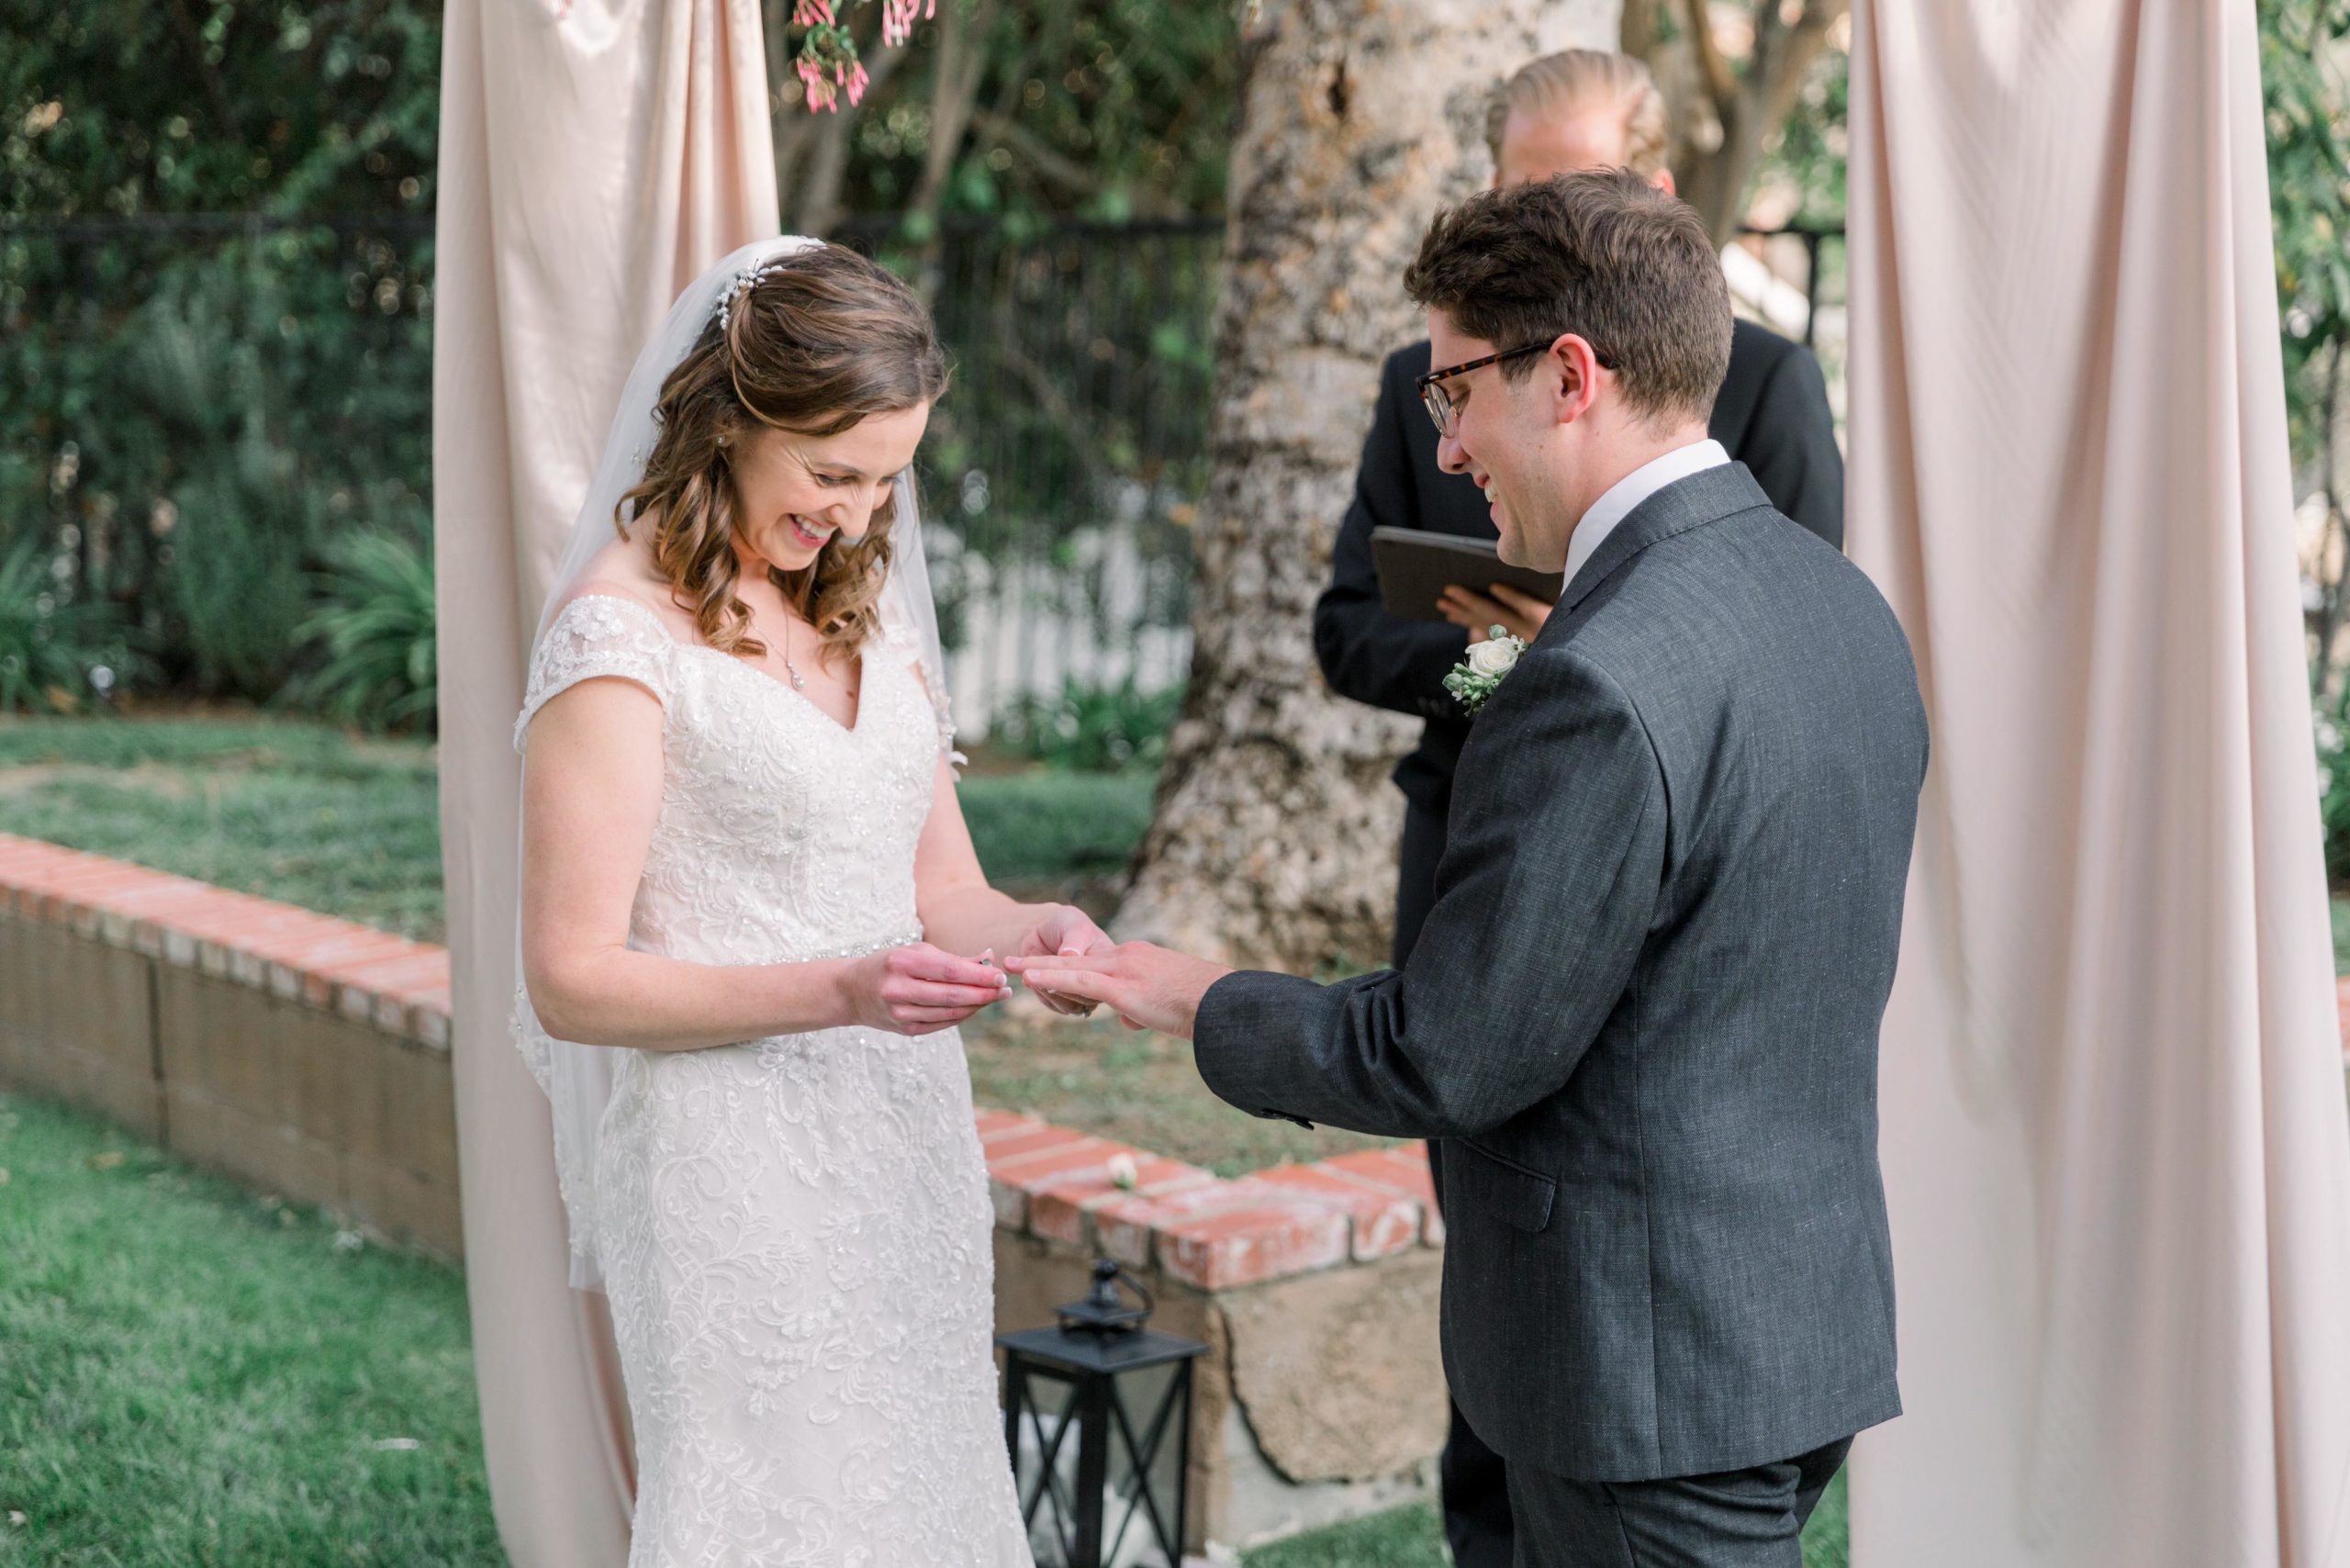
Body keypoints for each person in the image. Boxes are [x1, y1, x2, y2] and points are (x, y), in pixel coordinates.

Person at [1009, 172, 1929, 1568]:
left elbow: (1449, 1054)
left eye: (1454, 394)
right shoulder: (1842, 608)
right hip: (1794, 1333)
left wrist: (1196, 996)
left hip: (1644, 1377)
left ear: (1569, 375)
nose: (1444, 449)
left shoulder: (1598, 679)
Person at [1310, 50, 1847, 1563]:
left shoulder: (1770, 384)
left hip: (1680, 871)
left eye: (1572, 185)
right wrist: (1512, 651)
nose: (1456, 433)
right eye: (1516, 187)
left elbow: (1778, 643)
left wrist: (1607, 651)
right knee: (1495, 1222)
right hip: (1475, 837)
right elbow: (1351, 627)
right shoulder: (1435, 380)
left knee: (1631, 1205)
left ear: (1654, 194)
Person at [514, 238, 1102, 1566]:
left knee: (924, 1494)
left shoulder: (865, 610)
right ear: (729, 420)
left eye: (888, 482)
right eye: (832, 473)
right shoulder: (616, 642)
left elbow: (941, 886)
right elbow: (571, 974)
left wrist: (1034, 931)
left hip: (905, 1144)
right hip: (729, 1171)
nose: (855, 515)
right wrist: (837, 990)